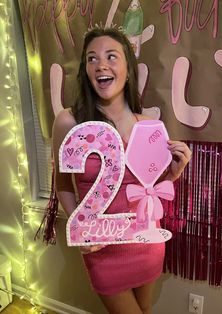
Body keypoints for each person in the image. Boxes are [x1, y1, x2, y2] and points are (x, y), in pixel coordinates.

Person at [52, 27, 192, 314]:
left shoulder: (148, 124)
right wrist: (82, 228)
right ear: (85, 72)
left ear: (128, 70)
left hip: (146, 241)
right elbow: (63, 185)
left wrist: (173, 174)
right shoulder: (69, 121)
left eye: (111, 56)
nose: (100, 64)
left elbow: (147, 188)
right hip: (102, 250)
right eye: (91, 59)